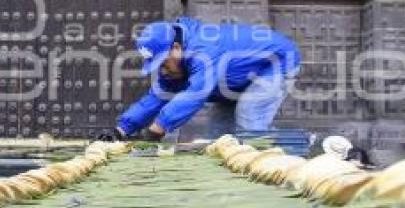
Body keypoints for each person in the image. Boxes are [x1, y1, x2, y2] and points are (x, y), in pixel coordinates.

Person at [113, 18, 302, 142]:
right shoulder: (173, 63)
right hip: (236, 80)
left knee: (249, 116)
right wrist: (122, 130)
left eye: (162, 62)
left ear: (176, 48)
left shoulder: (203, 50)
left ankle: (295, 146)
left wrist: (157, 129)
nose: (162, 69)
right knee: (219, 137)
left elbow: (195, 95)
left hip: (277, 62)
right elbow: (156, 97)